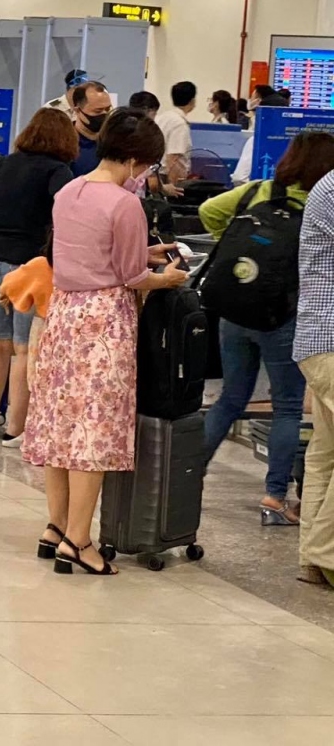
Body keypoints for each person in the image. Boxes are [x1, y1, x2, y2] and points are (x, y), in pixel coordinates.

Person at [24, 109, 189, 575]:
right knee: (92, 434)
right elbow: (132, 276)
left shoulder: (68, 191)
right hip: (105, 323)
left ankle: (54, 526)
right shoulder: (124, 204)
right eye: (150, 165)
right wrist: (167, 277)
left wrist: (142, 253)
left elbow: (89, 251)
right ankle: (79, 541)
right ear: (136, 160)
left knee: (60, 427)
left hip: (64, 315)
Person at [198, 132, 334, 527]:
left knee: (229, 399)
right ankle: (275, 497)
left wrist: (236, 250)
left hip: (236, 310)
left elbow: (208, 210)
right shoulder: (319, 203)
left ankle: (188, 478)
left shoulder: (257, 191)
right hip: (284, 318)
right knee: (288, 406)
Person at [0, 108, 77, 443]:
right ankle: (16, 429)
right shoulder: (57, 170)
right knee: (24, 348)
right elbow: (69, 209)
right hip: (29, 265)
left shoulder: (5, 164)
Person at [297, 169, 334, 588]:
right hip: (329, 338)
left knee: (325, 450)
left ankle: (311, 556)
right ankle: (327, 552)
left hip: (317, 336)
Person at [69, 81, 112, 176]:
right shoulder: (64, 143)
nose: (104, 114)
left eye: (108, 109)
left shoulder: (114, 141)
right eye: (98, 111)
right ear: (77, 111)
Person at [157, 80, 197, 183]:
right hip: (166, 177)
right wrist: (175, 187)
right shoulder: (179, 124)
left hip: (155, 174)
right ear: (192, 101)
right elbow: (173, 159)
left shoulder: (162, 117)